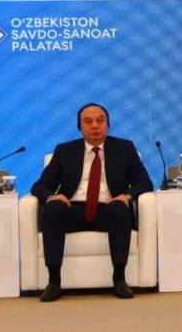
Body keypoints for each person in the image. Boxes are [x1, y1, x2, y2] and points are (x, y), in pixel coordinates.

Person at [31, 103, 153, 302]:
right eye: (88, 121)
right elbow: (40, 186)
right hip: (73, 209)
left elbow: (145, 183)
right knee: (53, 208)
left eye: (100, 120)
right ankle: (53, 282)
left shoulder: (124, 148)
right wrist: (51, 197)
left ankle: (119, 279)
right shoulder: (64, 151)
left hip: (108, 210)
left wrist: (127, 196)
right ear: (80, 127)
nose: (95, 125)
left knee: (120, 208)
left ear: (108, 125)